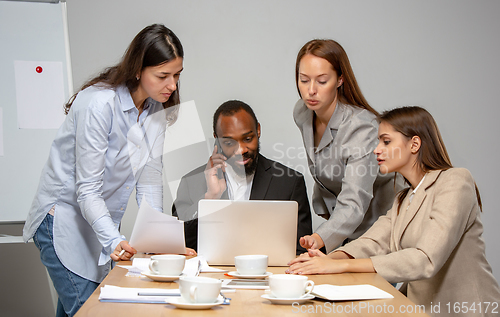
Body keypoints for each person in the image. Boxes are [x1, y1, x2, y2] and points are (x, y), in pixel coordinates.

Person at [23, 24, 192, 317]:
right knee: (94, 312)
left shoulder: (154, 110)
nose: (172, 85)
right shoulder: (99, 103)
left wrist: (160, 239)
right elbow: (86, 190)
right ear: (139, 69)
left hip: (96, 225)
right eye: (163, 76)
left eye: (177, 75)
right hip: (62, 221)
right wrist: (113, 239)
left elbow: (149, 180)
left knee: (84, 310)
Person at [287, 106, 500, 316]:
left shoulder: (455, 181)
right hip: (420, 309)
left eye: (386, 141)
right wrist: (325, 260)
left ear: (414, 144)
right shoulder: (403, 198)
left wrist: (340, 266)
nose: (376, 149)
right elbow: (373, 242)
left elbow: (425, 259)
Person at [293, 39, 399, 253]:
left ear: (340, 80)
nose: (310, 90)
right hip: (344, 222)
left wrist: (320, 236)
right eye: (304, 80)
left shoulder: (362, 127)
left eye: (322, 81)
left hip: (381, 222)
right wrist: (323, 206)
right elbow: (322, 159)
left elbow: (355, 199)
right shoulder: (302, 113)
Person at [172, 100, 313, 254]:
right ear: (217, 138)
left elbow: (302, 251)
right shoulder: (190, 182)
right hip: (210, 276)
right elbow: (178, 245)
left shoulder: (290, 182)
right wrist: (210, 198)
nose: (240, 150)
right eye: (229, 142)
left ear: (258, 130)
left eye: (247, 139)